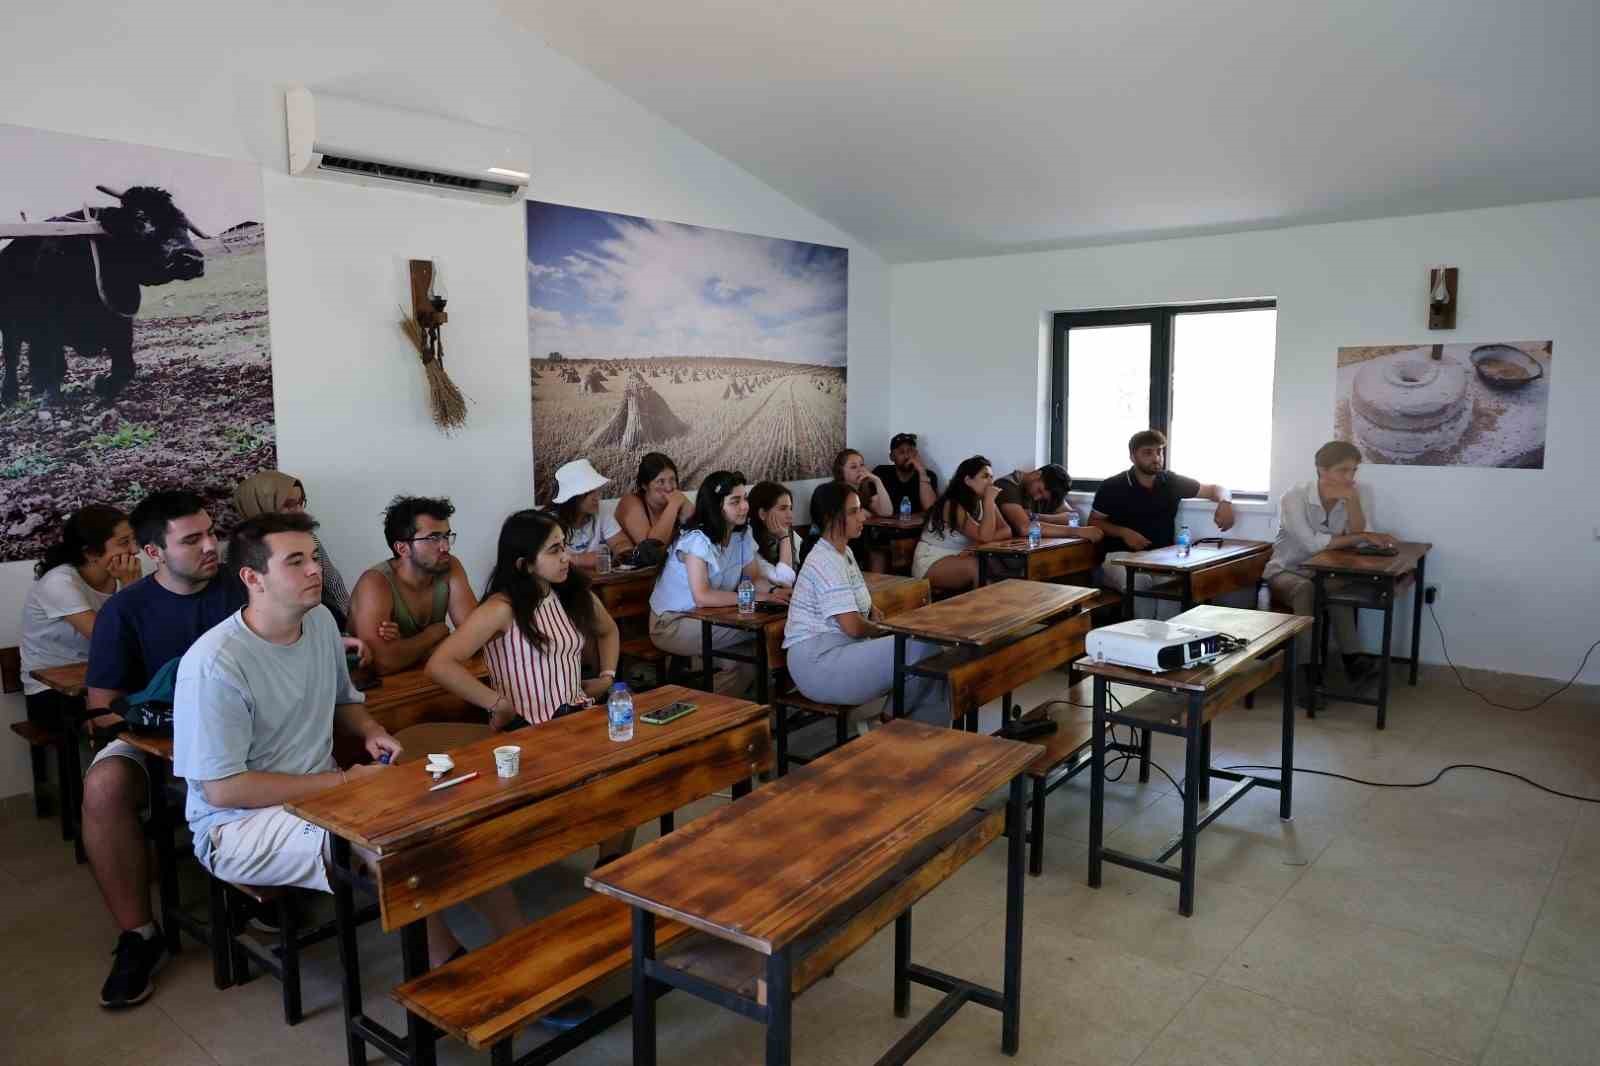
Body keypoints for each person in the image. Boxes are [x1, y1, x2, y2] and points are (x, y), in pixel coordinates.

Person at [172, 513, 521, 968]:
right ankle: (449, 967)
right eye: (295, 561)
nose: (315, 569)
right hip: (237, 826)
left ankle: (521, 944)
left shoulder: (317, 623)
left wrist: (374, 731)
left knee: (450, 811)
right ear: (252, 578)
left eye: (314, 557)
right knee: (382, 833)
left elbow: (344, 701)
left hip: (322, 793)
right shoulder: (215, 664)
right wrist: (342, 784)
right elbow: (223, 789)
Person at [79, 491, 245, 1008]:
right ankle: (139, 935)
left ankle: (269, 886)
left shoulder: (242, 588)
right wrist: (162, 718)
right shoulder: (125, 611)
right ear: (154, 552)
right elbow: (102, 709)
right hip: (155, 741)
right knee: (103, 786)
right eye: (192, 539)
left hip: (244, 732)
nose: (210, 546)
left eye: (212, 533)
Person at [426, 510, 631, 867]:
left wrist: (608, 676)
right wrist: (497, 703)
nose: (566, 556)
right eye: (554, 550)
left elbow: (609, 630)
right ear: (524, 564)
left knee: (632, 779)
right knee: (611, 788)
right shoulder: (501, 608)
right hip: (532, 732)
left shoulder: (570, 594)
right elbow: (440, 664)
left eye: (564, 546)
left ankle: (610, 866)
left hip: (577, 720)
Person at [783, 483, 946, 723]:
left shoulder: (844, 553)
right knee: (922, 648)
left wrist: (873, 615)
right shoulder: (824, 560)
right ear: (830, 518)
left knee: (935, 669)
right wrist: (886, 630)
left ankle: (927, 745)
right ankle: (888, 723)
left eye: (860, 509)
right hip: (818, 663)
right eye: (853, 511)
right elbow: (853, 626)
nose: (863, 516)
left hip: (843, 650)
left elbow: (865, 610)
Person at [1265, 440, 1398, 687]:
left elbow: (1362, 534)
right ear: (1321, 470)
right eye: (1343, 470)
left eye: (1354, 470)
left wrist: (1353, 502)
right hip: (1286, 571)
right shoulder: (1294, 496)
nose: (1350, 477)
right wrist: (1361, 536)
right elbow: (1311, 545)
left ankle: (1353, 661)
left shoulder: (1358, 491)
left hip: (1324, 572)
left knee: (1333, 587)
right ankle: (1310, 671)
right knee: (1307, 590)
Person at [21, 505, 141, 728]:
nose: (135, 550)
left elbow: (142, 635)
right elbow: (107, 641)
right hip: (50, 692)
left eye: (134, 540)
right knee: (131, 720)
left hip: (102, 678)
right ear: (91, 553)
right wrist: (130, 589)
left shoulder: (116, 577)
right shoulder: (59, 582)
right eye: (124, 542)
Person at [648, 471, 784, 660]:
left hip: (714, 615)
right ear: (716, 506)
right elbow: (702, 597)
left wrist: (774, 591)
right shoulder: (696, 540)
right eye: (735, 502)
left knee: (759, 646)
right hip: (673, 623)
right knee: (763, 632)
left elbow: (753, 579)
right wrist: (758, 598)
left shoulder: (742, 534)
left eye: (744, 498)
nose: (744, 507)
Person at [1090, 430, 1237, 595]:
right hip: (1119, 557)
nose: (1156, 458)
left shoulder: (1170, 481)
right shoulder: (1112, 486)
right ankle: (1141, 622)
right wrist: (1124, 533)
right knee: (1139, 581)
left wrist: (1225, 503)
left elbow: (1215, 489)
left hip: (1162, 556)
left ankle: (1165, 622)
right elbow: (1094, 522)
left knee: (1182, 583)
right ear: (1132, 457)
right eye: (1148, 452)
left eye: (1159, 451)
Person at [348, 496, 477, 675]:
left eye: (446, 536)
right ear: (402, 549)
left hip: (429, 677)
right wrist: (433, 635)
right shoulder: (374, 584)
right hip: (378, 693)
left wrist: (405, 648)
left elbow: (477, 637)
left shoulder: (449, 566)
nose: (445, 546)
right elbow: (382, 662)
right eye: (433, 538)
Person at [233, 470, 352, 630]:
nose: (299, 511)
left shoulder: (307, 538)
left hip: (318, 622)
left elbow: (332, 581)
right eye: (288, 505)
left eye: (300, 502)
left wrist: (352, 621)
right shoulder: (238, 552)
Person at [911, 455, 1010, 593]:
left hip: (962, 555)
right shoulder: (951, 504)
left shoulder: (985, 501)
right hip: (934, 559)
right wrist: (988, 502)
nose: (990, 482)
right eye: (985, 476)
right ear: (968, 480)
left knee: (998, 566)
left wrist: (976, 545)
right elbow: (985, 537)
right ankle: (980, 612)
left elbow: (1006, 530)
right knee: (976, 567)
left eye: (992, 477)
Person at [545, 458, 626, 571]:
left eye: (597, 491)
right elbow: (554, 562)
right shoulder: (550, 522)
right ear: (573, 498)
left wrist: (576, 559)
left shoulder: (602, 510)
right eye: (589, 493)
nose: (597, 497)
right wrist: (594, 558)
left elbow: (623, 544)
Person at [994, 464, 1102, 542]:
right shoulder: (1007, 485)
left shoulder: (1048, 493)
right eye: (1039, 490)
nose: (1037, 498)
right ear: (1037, 474)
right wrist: (1077, 531)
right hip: (1009, 552)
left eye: (1043, 497)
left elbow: (1072, 516)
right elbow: (1025, 528)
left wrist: (1036, 517)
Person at [612, 452, 692, 549]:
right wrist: (673, 506)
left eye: (672, 479)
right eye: (660, 481)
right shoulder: (630, 503)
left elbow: (703, 533)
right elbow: (651, 550)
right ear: (644, 485)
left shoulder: (677, 498)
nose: (669, 487)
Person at [748, 481, 801, 587]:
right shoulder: (748, 540)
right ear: (762, 514)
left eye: (790, 508)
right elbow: (783, 581)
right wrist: (784, 538)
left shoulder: (790, 533)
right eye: (783, 509)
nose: (790, 515)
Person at [871, 433, 939, 515]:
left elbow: (930, 509)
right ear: (891, 457)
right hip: (887, 525)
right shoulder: (881, 472)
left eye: (910, 451)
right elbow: (873, 507)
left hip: (917, 527)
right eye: (901, 452)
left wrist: (922, 471)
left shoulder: (928, 475)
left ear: (916, 454)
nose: (907, 456)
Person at [832, 449, 893, 517]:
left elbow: (886, 512)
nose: (860, 470)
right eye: (853, 467)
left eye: (862, 465)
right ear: (841, 471)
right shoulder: (836, 490)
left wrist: (877, 481)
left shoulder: (865, 488)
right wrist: (864, 513)